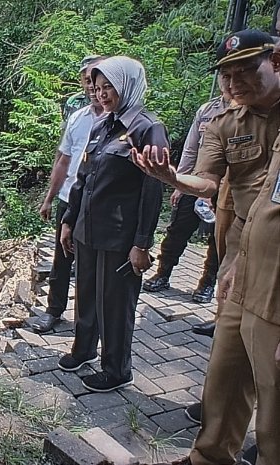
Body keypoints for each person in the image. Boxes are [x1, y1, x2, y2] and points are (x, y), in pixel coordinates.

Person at [133, 29, 280, 465]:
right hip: (241, 256)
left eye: (246, 70)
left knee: (273, 387)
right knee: (226, 370)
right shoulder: (224, 122)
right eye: (226, 75)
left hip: (276, 273)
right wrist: (173, 179)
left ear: (275, 62)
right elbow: (208, 181)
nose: (234, 83)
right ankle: (210, 456)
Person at [56, 56, 167, 393]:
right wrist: (69, 221)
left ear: (128, 86)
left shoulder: (148, 129)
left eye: (109, 87)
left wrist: (142, 243)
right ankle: (84, 349)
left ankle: (117, 369)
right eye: (98, 87)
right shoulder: (102, 125)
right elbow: (82, 179)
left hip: (119, 236)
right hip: (88, 229)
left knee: (115, 304)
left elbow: (152, 190)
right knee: (86, 293)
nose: (102, 94)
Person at [33, 56, 106, 333]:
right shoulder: (77, 118)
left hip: (100, 202)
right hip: (70, 198)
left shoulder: (123, 121)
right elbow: (63, 161)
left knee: (93, 264)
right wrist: (49, 198)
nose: (93, 88)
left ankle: (88, 322)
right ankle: (54, 310)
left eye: (99, 82)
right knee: (62, 259)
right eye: (88, 81)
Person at [142, 83, 232, 304]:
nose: (229, 82)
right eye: (224, 76)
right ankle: (163, 273)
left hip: (227, 189)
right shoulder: (207, 110)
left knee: (218, 240)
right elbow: (191, 149)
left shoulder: (249, 112)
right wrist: (179, 184)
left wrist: (214, 192)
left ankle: (207, 283)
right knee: (176, 231)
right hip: (195, 181)